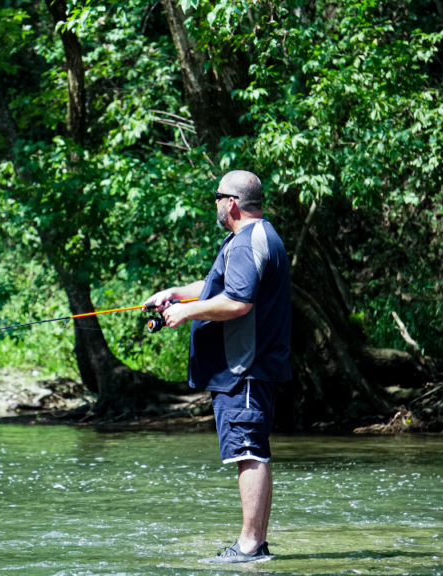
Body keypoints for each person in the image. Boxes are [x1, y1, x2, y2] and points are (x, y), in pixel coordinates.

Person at [145, 170, 291, 564]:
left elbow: (238, 302)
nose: (214, 204)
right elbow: (221, 285)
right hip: (248, 367)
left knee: (249, 452)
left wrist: (186, 313)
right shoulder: (257, 237)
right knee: (252, 451)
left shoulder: (246, 242)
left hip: (243, 367)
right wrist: (176, 293)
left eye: (217, 197)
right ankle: (254, 543)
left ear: (231, 203)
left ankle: (249, 546)